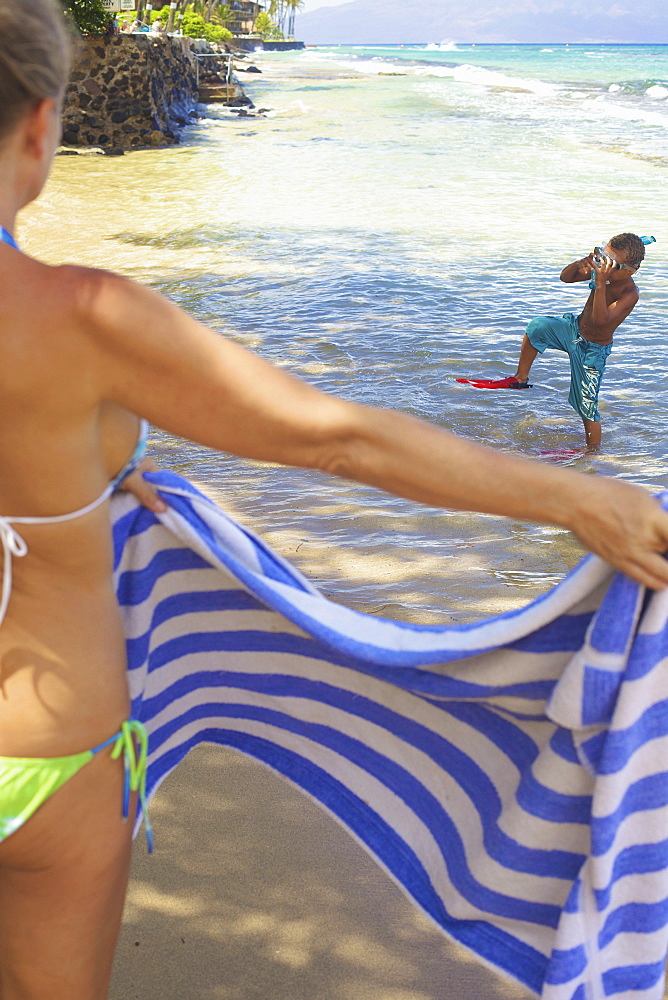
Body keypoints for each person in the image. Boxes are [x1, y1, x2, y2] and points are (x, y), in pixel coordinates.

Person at [1, 4, 668, 999]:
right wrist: (577, 500)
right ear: (40, 122)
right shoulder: (83, 319)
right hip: (42, 753)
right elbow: (333, 435)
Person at [505, 234, 646, 449]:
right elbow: (566, 277)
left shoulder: (629, 293)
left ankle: (591, 453)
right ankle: (520, 377)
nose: (603, 266)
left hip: (592, 350)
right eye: (602, 258)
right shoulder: (602, 273)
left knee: (586, 403)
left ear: (630, 270)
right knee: (537, 327)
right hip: (573, 329)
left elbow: (601, 322)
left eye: (611, 264)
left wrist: (600, 284)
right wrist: (581, 263)